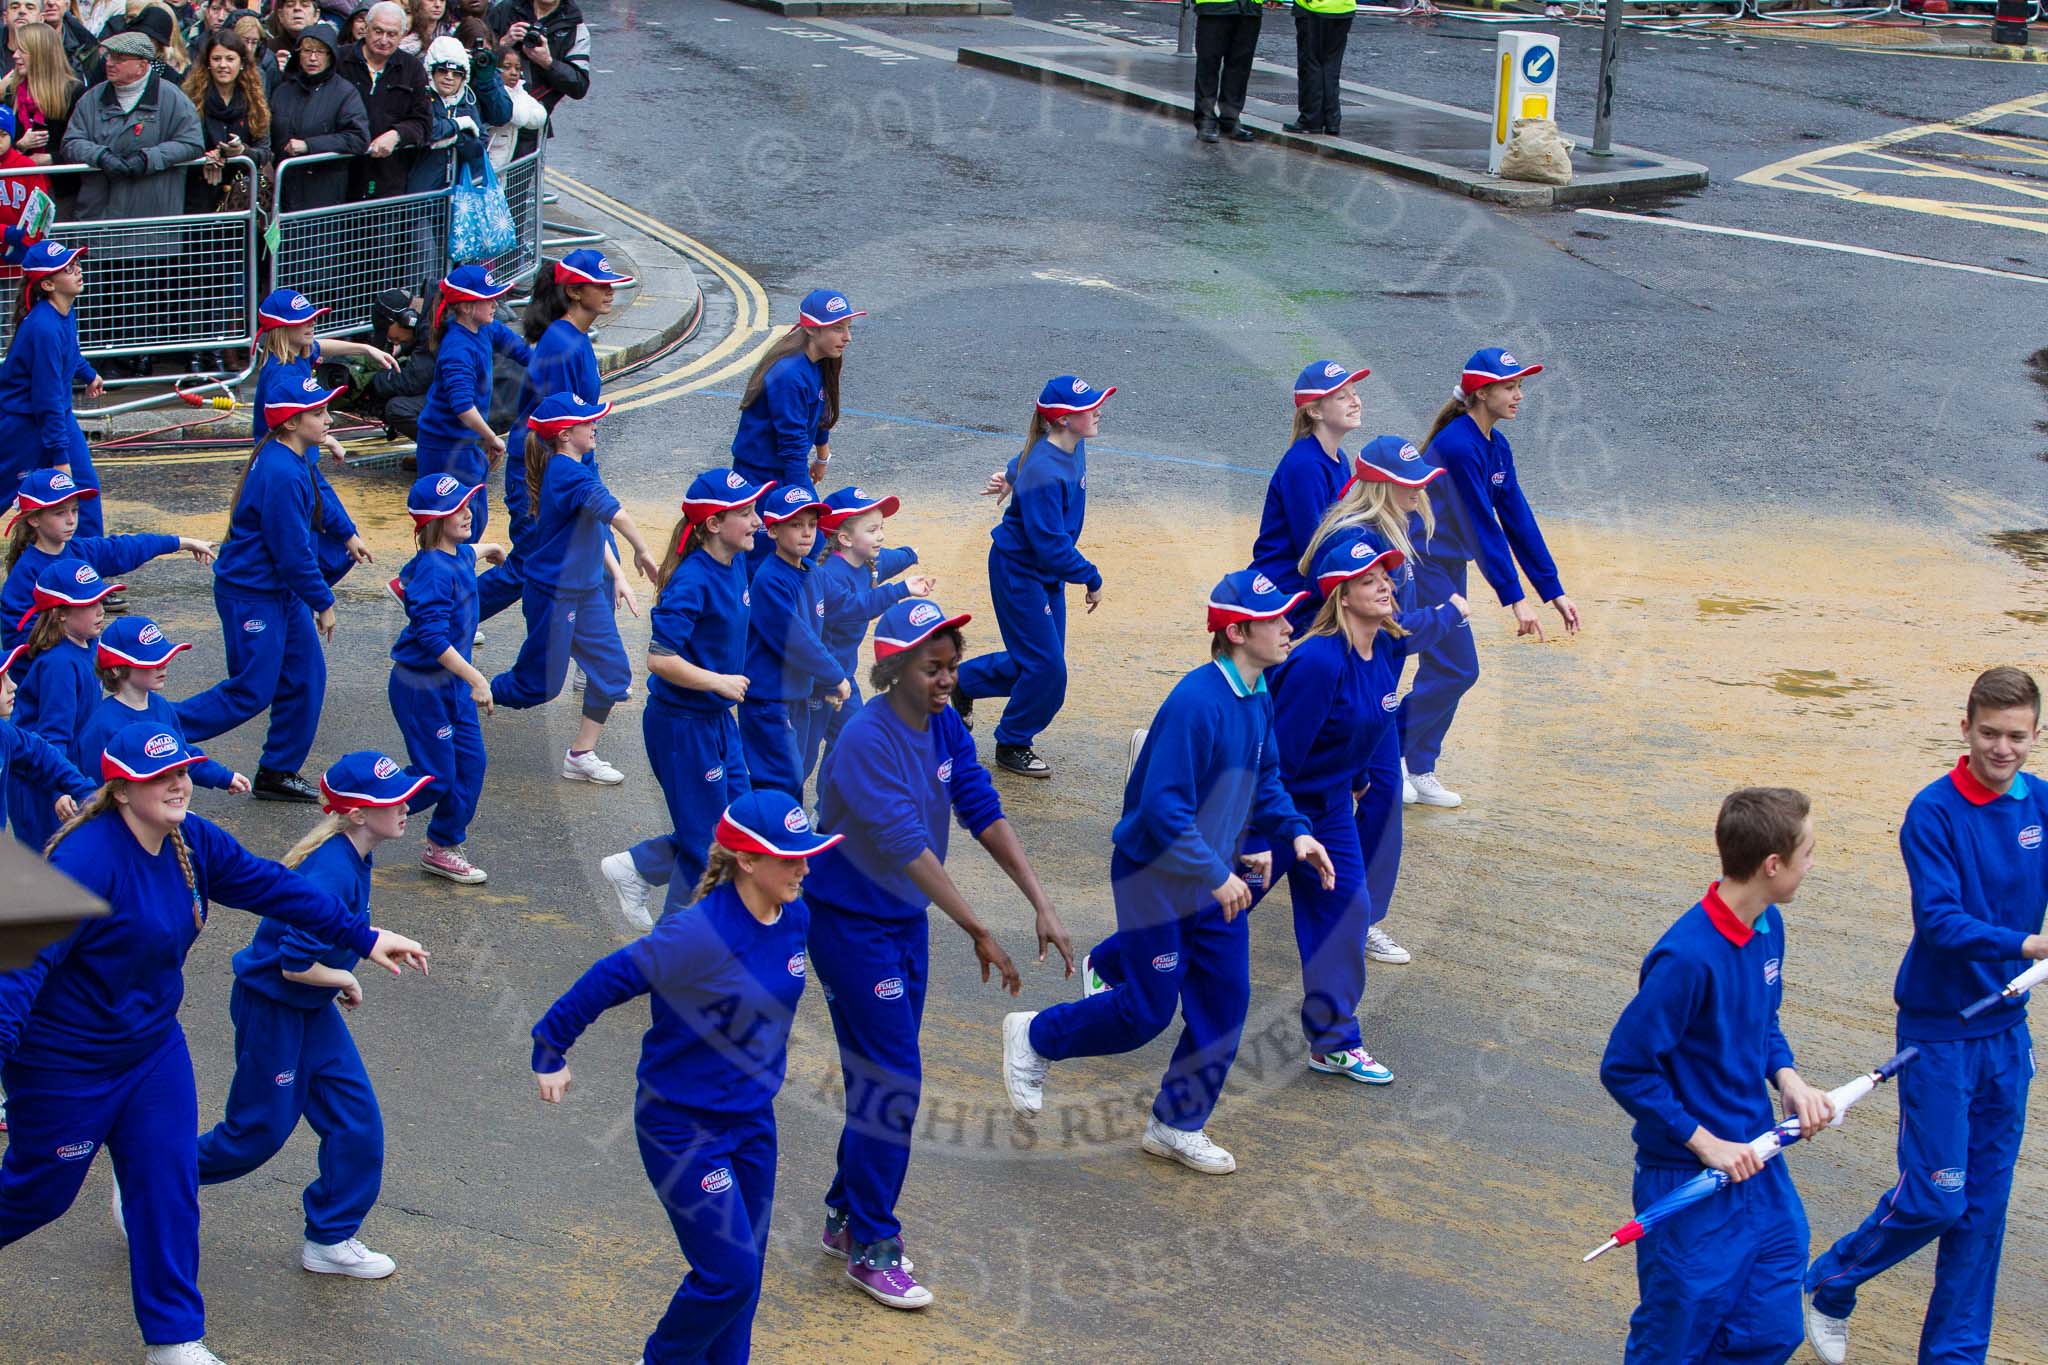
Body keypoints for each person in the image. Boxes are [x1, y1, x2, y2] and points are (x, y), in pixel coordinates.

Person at [0, 720, 427, 1365]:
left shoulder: (190, 841)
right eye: (158, 777)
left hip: (150, 1053)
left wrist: (365, 938)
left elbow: (272, 886)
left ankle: (174, 1340)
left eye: (181, 772)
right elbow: (12, 971)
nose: (177, 786)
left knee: (168, 1185)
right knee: (42, 1194)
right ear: (119, 790)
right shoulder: (80, 860)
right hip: (68, 1067)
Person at [1001, 571, 1332, 1176]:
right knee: (1145, 1015)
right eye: (1276, 619)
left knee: (1226, 1001)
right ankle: (1035, 1036)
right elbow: (1161, 809)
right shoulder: (1196, 703)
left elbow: (1265, 781)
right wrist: (1216, 871)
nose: (1290, 626)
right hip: (1156, 877)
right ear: (1237, 631)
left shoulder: (1257, 694)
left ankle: (1176, 1124)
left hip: (1214, 878)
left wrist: (1294, 833)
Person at [805, 597, 1071, 1308]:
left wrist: (1039, 901)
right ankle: (873, 1245)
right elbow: (905, 845)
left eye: (953, 665)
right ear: (891, 669)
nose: (947, 678)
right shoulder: (865, 741)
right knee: (894, 1079)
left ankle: (842, 1213)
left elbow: (979, 805)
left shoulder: (945, 722)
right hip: (849, 925)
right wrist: (978, 927)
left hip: (902, 921)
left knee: (880, 1075)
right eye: (932, 667)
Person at [1087, 530, 1416, 1084]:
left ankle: (1334, 1040)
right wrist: (1264, 836)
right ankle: (1116, 958)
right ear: (1340, 593)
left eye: (1386, 574)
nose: (1384, 584)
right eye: (1369, 578)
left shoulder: (1385, 648)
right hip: (1280, 809)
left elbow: (1371, 726)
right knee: (1213, 909)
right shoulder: (1315, 663)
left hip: (1329, 812)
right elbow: (1275, 756)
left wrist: (1357, 779)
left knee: (1348, 910)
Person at [532, 790, 838, 1365]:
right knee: (728, 1274)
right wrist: (550, 1048)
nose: (804, 867)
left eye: (806, 855)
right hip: (682, 1128)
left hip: (752, 1122)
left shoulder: (793, 911)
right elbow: (608, 978)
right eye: (790, 858)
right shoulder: (697, 935)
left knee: (746, 1270)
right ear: (747, 860)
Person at [1802, 667, 2048, 1365]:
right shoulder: (1932, 811)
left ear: (2037, 735)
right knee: (1939, 1199)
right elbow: (1940, 922)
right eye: (1990, 733)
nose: (2003, 748)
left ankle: (1954, 1356)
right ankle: (1831, 1278)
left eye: (2017, 736)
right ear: (1964, 727)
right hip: (1939, 1030)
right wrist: (2030, 944)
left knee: (1983, 1212)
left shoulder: (2044, 805)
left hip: (2007, 1033)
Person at [1599, 786, 1833, 1365]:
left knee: (1772, 1327)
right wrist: (1706, 1144)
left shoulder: (1768, 925)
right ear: (1772, 865)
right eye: (1807, 853)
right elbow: (1624, 1067)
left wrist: (1789, 1079)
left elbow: (1761, 1022)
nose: (1812, 864)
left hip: (1759, 1165)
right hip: (1689, 1181)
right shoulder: (1686, 959)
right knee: (1674, 1339)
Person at [196, 751, 429, 1284]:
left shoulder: (354, 855)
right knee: (257, 1133)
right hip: (273, 1008)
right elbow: (295, 963)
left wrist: (347, 966)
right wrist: (345, 977)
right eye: (392, 801)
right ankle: (150, 1175)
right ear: (356, 815)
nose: (406, 808)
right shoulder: (332, 871)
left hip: (307, 1008)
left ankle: (329, 1239)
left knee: (355, 1121)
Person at [1298, 435, 1465, 966]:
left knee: (1377, 801)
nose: (1419, 493)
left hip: (1373, 696)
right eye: (1409, 485)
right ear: (1381, 486)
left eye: (1421, 483)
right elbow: (1387, 629)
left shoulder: (1394, 533)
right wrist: (1447, 616)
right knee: (1293, 801)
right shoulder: (1355, 540)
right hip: (1344, 698)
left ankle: (1358, 917)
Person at [1405, 347, 1581, 810]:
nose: (1519, 395)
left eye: (1520, 385)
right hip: (1420, 566)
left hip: (1447, 566)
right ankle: (1386, 756)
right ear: (1482, 394)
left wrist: (1552, 590)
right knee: (1458, 668)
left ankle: (1416, 766)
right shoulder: (1460, 445)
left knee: (1446, 669)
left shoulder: (1495, 445)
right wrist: (1515, 600)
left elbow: (1517, 518)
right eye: (1509, 386)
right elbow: (1481, 526)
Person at [597, 468, 769, 933]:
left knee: (740, 826)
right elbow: (659, 659)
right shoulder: (693, 580)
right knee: (707, 846)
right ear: (713, 524)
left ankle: (637, 867)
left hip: (715, 720)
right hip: (682, 726)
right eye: (747, 513)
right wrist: (718, 681)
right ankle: (672, 958)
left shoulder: (737, 561)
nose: (758, 522)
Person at [177, 377, 354, 804]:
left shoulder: (298, 454)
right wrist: (323, 601)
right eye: (318, 413)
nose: (328, 419)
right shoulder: (280, 472)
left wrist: (347, 533)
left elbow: (316, 504)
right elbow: (291, 553)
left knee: (306, 677)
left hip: (278, 590)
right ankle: (155, 729)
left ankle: (277, 771)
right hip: (253, 594)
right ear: (291, 422)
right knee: (252, 689)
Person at [487, 391, 659, 785]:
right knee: (537, 687)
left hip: (584, 592)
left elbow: (595, 529)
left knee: (613, 675)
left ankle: (580, 754)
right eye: (588, 421)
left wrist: (616, 573)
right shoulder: (567, 472)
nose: (595, 424)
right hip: (553, 595)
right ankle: (468, 692)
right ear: (565, 434)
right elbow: (614, 512)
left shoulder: (577, 468)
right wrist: (642, 548)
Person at [954, 374, 1110, 779]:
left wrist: (1009, 474)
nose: (1097, 411)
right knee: (1047, 670)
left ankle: (960, 682)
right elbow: (1051, 546)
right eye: (1086, 409)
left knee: (1038, 663)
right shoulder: (1045, 469)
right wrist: (1091, 577)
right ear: (1062, 419)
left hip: (1042, 574)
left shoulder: (1067, 445)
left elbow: (1029, 455)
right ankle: (1013, 742)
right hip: (1020, 572)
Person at [478, 248, 631, 623]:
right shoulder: (562, 345)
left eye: (612, 284)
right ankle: (442, 613)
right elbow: (558, 427)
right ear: (575, 293)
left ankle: (599, 667)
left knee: (600, 555)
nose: (610, 291)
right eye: (601, 285)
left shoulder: (573, 339)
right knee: (531, 562)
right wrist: (576, 482)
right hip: (541, 472)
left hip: (565, 467)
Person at [388, 473, 502, 883]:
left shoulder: (454, 554)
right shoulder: (436, 570)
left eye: (468, 503)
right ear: (434, 521)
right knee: (436, 776)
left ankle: (441, 846)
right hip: (421, 686)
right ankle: (362, 814)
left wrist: (490, 549)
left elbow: (467, 556)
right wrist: (478, 678)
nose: (469, 512)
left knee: (471, 765)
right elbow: (433, 638)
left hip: (450, 685)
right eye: (457, 509)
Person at [2, 466, 214, 652]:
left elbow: (125, 548)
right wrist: (69, 648)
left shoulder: (81, 550)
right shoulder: (26, 573)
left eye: (75, 510)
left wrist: (181, 542)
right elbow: (19, 638)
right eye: (59, 513)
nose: (71, 520)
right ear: (33, 519)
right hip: (49, 683)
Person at [809, 485, 933, 780]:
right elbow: (855, 606)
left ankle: (826, 813)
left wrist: (910, 554)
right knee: (800, 759)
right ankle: (774, 812)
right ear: (845, 538)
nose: (881, 536)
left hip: (842, 676)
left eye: (881, 528)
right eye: (873, 530)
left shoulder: (866, 562)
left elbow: (889, 559)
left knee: (851, 742)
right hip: (816, 680)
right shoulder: (830, 575)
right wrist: (902, 589)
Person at [730, 288, 859, 568]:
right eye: (838, 328)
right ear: (812, 329)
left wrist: (822, 454)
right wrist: (807, 506)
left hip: (782, 473)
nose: (847, 337)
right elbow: (792, 447)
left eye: (847, 327)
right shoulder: (789, 375)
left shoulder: (817, 363)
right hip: (762, 481)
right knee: (767, 558)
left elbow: (818, 410)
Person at [741, 483, 848, 800]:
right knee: (781, 782)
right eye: (795, 525)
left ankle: (767, 839)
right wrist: (835, 675)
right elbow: (795, 636)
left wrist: (897, 590)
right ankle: (765, 842)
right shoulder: (770, 579)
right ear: (772, 531)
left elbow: (850, 605)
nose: (806, 533)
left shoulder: (811, 571)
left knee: (793, 775)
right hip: (770, 700)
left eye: (812, 525)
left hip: (796, 695)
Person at [1248, 359, 1369, 631]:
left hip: (1304, 587)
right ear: (1314, 411)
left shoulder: (1338, 459)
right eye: (1341, 396)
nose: (1355, 401)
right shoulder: (1306, 465)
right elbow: (1312, 545)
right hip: (1285, 594)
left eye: (1355, 393)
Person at [6, 556, 114, 850]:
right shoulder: (60, 665)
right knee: (47, 869)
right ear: (59, 614)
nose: (100, 610)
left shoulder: (88, 646)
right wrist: (58, 789)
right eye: (88, 605)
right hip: (38, 784)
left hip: (61, 771)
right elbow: (53, 736)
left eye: (101, 600)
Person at [416, 264, 530, 540]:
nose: (495, 303)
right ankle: (422, 581)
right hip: (445, 448)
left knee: (473, 520)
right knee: (451, 530)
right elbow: (463, 407)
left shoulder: (487, 329)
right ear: (466, 307)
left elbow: (522, 352)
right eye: (487, 299)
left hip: (465, 445)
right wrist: (492, 438)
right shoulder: (458, 348)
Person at [75, 616, 249, 795]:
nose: (163, 666)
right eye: (152, 661)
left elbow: (182, 753)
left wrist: (222, 776)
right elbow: (94, 790)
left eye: (164, 657)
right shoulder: (102, 725)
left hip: (156, 810)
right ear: (116, 669)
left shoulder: (161, 706)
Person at [0, 242, 102, 530]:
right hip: (24, 425)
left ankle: (86, 567)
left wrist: (89, 373)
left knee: (85, 490)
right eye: (68, 269)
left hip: (56, 417)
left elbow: (69, 353)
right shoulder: (43, 327)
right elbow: (46, 398)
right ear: (47, 284)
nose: (78, 271)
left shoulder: (64, 311)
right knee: (5, 492)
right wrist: (59, 457)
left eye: (76, 264)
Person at [0, 635, 92, 842]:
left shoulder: (4, 733)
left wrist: (86, 791)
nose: (13, 685)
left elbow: (40, 753)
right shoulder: (59, 664)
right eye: (1, 680)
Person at [267, 19, 364, 212]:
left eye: (320, 52)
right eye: (306, 51)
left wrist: (309, 146)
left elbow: (358, 138)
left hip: (322, 194)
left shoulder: (344, 92)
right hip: (284, 190)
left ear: (330, 56)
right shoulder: (283, 90)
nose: (313, 58)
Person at [336, 0, 428, 199]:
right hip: (341, 174)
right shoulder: (339, 61)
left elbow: (423, 122)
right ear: (366, 29)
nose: (384, 39)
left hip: (388, 180)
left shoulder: (412, 69)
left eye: (392, 34)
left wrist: (398, 134)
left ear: (402, 35)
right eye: (378, 31)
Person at [180, 30, 269, 216]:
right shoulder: (190, 99)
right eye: (216, 58)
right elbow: (181, 142)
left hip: (241, 200)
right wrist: (208, 157)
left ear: (242, 63)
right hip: (200, 195)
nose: (223, 65)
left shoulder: (254, 100)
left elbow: (265, 151)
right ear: (208, 63)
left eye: (230, 59)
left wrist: (241, 151)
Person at [406, 33, 503, 192]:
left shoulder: (467, 101)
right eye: (443, 71)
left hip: (459, 191)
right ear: (431, 72)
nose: (449, 78)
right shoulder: (420, 97)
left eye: (456, 73)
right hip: (421, 193)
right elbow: (427, 130)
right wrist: (459, 125)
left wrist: (457, 139)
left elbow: (480, 145)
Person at [5, 20, 81, 186]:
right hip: (19, 187)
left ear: (41, 53)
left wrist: (50, 158)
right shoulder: (11, 93)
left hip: (61, 187)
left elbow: (83, 144)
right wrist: (20, 146)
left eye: (22, 50)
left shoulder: (73, 91)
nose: (15, 55)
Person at [487, 0, 587, 125]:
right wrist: (502, 44)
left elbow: (579, 86)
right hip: (492, 112)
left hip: (533, 118)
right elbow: (475, 59)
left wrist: (548, 63)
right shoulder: (504, 10)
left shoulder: (575, 25)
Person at [1190, 0, 1260, 144]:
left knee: (1240, 67)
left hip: (1249, 7)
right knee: (1208, 64)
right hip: (1215, 6)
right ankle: (1205, 122)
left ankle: (1230, 120)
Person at [1285, 0, 1353, 135]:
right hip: (1344, 8)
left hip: (1313, 8)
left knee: (1311, 65)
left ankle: (1310, 120)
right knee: (1331, 67)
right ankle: (1332, 121)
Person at [483, 39, 542, 167]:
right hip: (489, 163)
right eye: (507, 67)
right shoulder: (497, 93)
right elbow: (520, 118)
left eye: (517, 68)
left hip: (503, 162)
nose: (514, 73)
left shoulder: (518, 91)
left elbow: (540, 117)